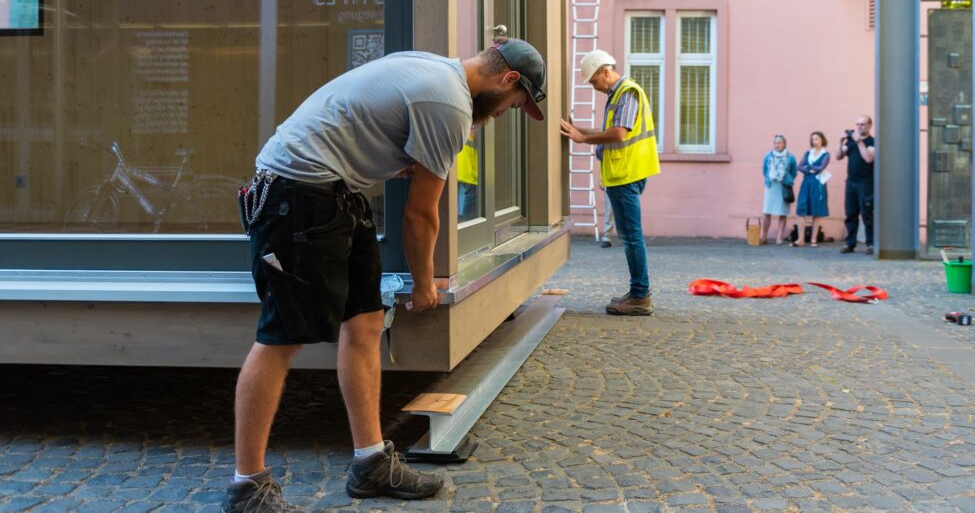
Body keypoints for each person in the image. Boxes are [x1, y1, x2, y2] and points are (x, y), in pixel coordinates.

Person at [224, 38, 547, 511]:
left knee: (366, 321)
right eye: (516, 105)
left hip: (335, 193)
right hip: (296, 195)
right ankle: (246, 486)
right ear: (509, 80)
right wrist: (423, 284)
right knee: (280, 337)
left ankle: (370, 462)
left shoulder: (433, 68)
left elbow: (366, 124)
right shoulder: (449, 104)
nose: (507, 114)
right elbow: (420, 216)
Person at [560, 49, 660, 316]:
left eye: (594, 81)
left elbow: (618, 133)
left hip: (625, 175)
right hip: (624, 174)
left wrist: (582, 138)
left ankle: (640, 295)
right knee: (630, 236)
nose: (594, 87)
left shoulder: (626, 92)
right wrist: (579, 131)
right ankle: (638, 291)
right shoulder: (619, 94)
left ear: (605, 71)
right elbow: (608, 132)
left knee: (632, 237)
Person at [837, 114, 875, 255]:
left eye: (862, 124)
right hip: (851, 182)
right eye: (857, 124)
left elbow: (868, 159)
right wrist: (840, 142)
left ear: (869, 126)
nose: (859, 127)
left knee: (867, 214)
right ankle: (850, 243)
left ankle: (871, 244)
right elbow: (838, 156)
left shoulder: (872, 142)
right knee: (850, 213)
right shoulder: (850, 142)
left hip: (866, 183)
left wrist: (859, 142)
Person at [792, 131, 830, 247]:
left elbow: (820, 168)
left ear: (822, 140)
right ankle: (800, 239)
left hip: (818, 183)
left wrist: (807, 167)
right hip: (807, 182)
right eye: (813, 139)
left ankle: (814, 239)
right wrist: (810, 169)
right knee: (801, 209)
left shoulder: (825, 154)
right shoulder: (808, 153)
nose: (815, 141)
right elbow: (799, 166)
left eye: (817, 139)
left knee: (816, 212)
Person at [760, 135, 797, 245]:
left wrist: (787, 179)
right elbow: (764, 171)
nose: (777, 145)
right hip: (771, 185)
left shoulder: (790, 157)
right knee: (766, 212)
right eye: (775, 143)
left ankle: (779, 237)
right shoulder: (768, 156)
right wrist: (771, 177)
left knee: (782, 212)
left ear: (784, 144)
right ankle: (764, 236)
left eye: (779, 143)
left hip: (783, 186)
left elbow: (794, 172)